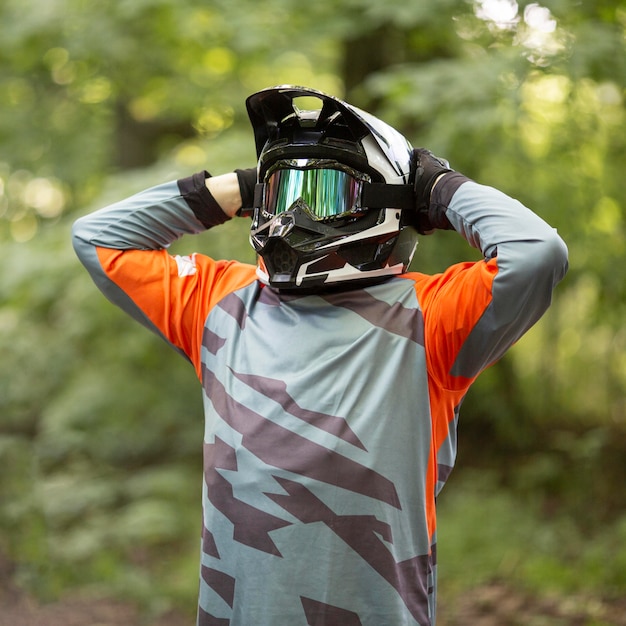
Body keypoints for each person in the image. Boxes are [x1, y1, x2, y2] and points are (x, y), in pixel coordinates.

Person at [72, 85, 568, 626]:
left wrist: (437, 189)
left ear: (380, 204)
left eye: (325, 194)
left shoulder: (433, 318)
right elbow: (97, 237)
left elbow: (537, 253)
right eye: (282, 193)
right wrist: (238, 188)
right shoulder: (222, 304)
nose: (295, 214)